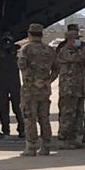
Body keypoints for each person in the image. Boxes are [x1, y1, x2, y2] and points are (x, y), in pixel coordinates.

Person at [18, 23, 59, 156]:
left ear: (29, 34)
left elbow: (22, 67)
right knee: (44, 118)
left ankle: (31, 147)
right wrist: (49, 81)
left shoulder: (25, 49)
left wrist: (34, 81)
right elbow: (57, 68)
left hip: (30, 90)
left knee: (30, 117)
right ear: (41, 35)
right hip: (44, 90)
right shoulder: (49, 50)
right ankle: (46, 146)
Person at [55, 28, 85, 150]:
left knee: (78, 115)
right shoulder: (65, 51)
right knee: (67, 114)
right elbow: (80, 57)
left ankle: (73, 139)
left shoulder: (77, 50)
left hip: (78, 88)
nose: (79, 41)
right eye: (76, 39)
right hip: (68, 88)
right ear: (70, 40)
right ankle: (63, 139)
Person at [0, 32, 24, 139]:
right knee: (4, 107)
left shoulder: (17, 50)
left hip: (12, 82)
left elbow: (25, 66)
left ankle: (21, 129)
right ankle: (6, 129)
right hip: (4, 82)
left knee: (17, 106)